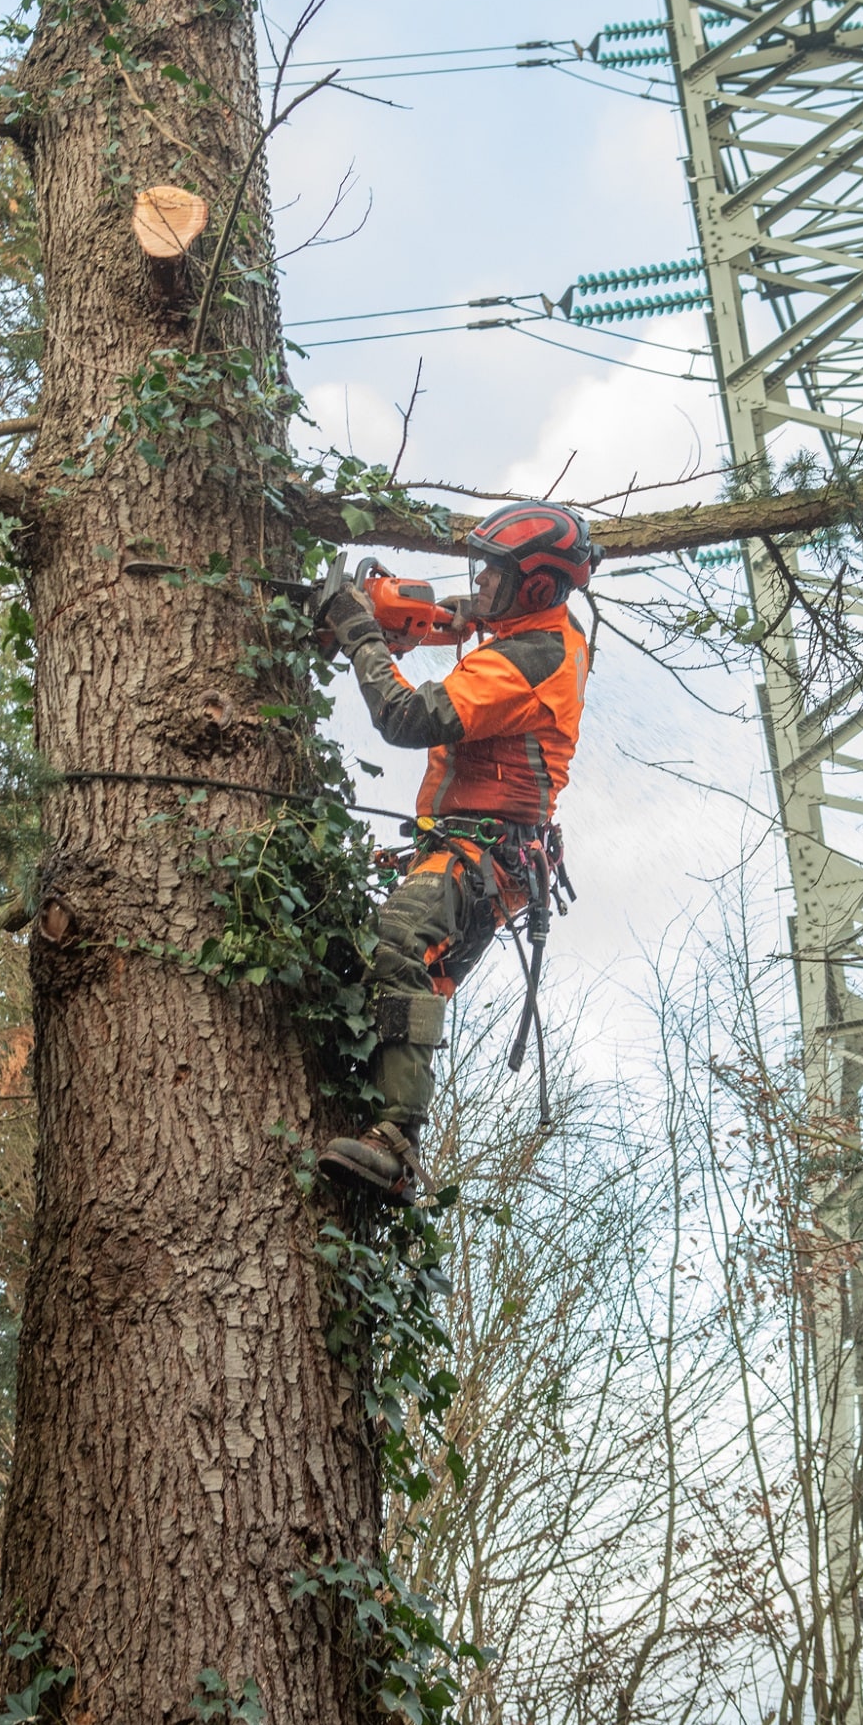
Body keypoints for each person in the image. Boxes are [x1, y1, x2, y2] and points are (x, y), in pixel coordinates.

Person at [315, 502, 598, 1204]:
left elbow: (410, 718)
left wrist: (359, 633)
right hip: (470, 849)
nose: (481, 582)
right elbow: (475, 613)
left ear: (533, 587)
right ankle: (367, 1113)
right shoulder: (538, 627)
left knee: (400, 941)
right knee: (380, 975)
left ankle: (396, 1141)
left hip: (485, 852)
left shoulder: (531, 659)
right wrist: (422, 614)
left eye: (495, 574)